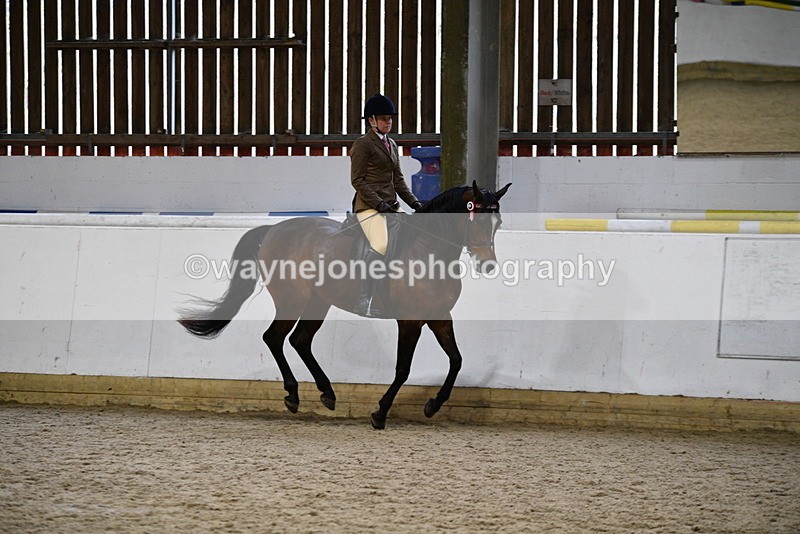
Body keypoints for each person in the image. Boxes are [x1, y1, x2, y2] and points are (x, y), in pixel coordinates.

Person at [350, 93, 423, 317]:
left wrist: (414, 203)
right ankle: (364, 297)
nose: (388, 122)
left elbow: (398, 179)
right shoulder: (363, 144)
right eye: (383, 119)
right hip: (368, 207)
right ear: (371, 120)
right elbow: (357, 180)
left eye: (390, 118)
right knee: (380, 245)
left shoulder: (391, 144)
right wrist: (378, 203)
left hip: (390, 205)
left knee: (413, 236)